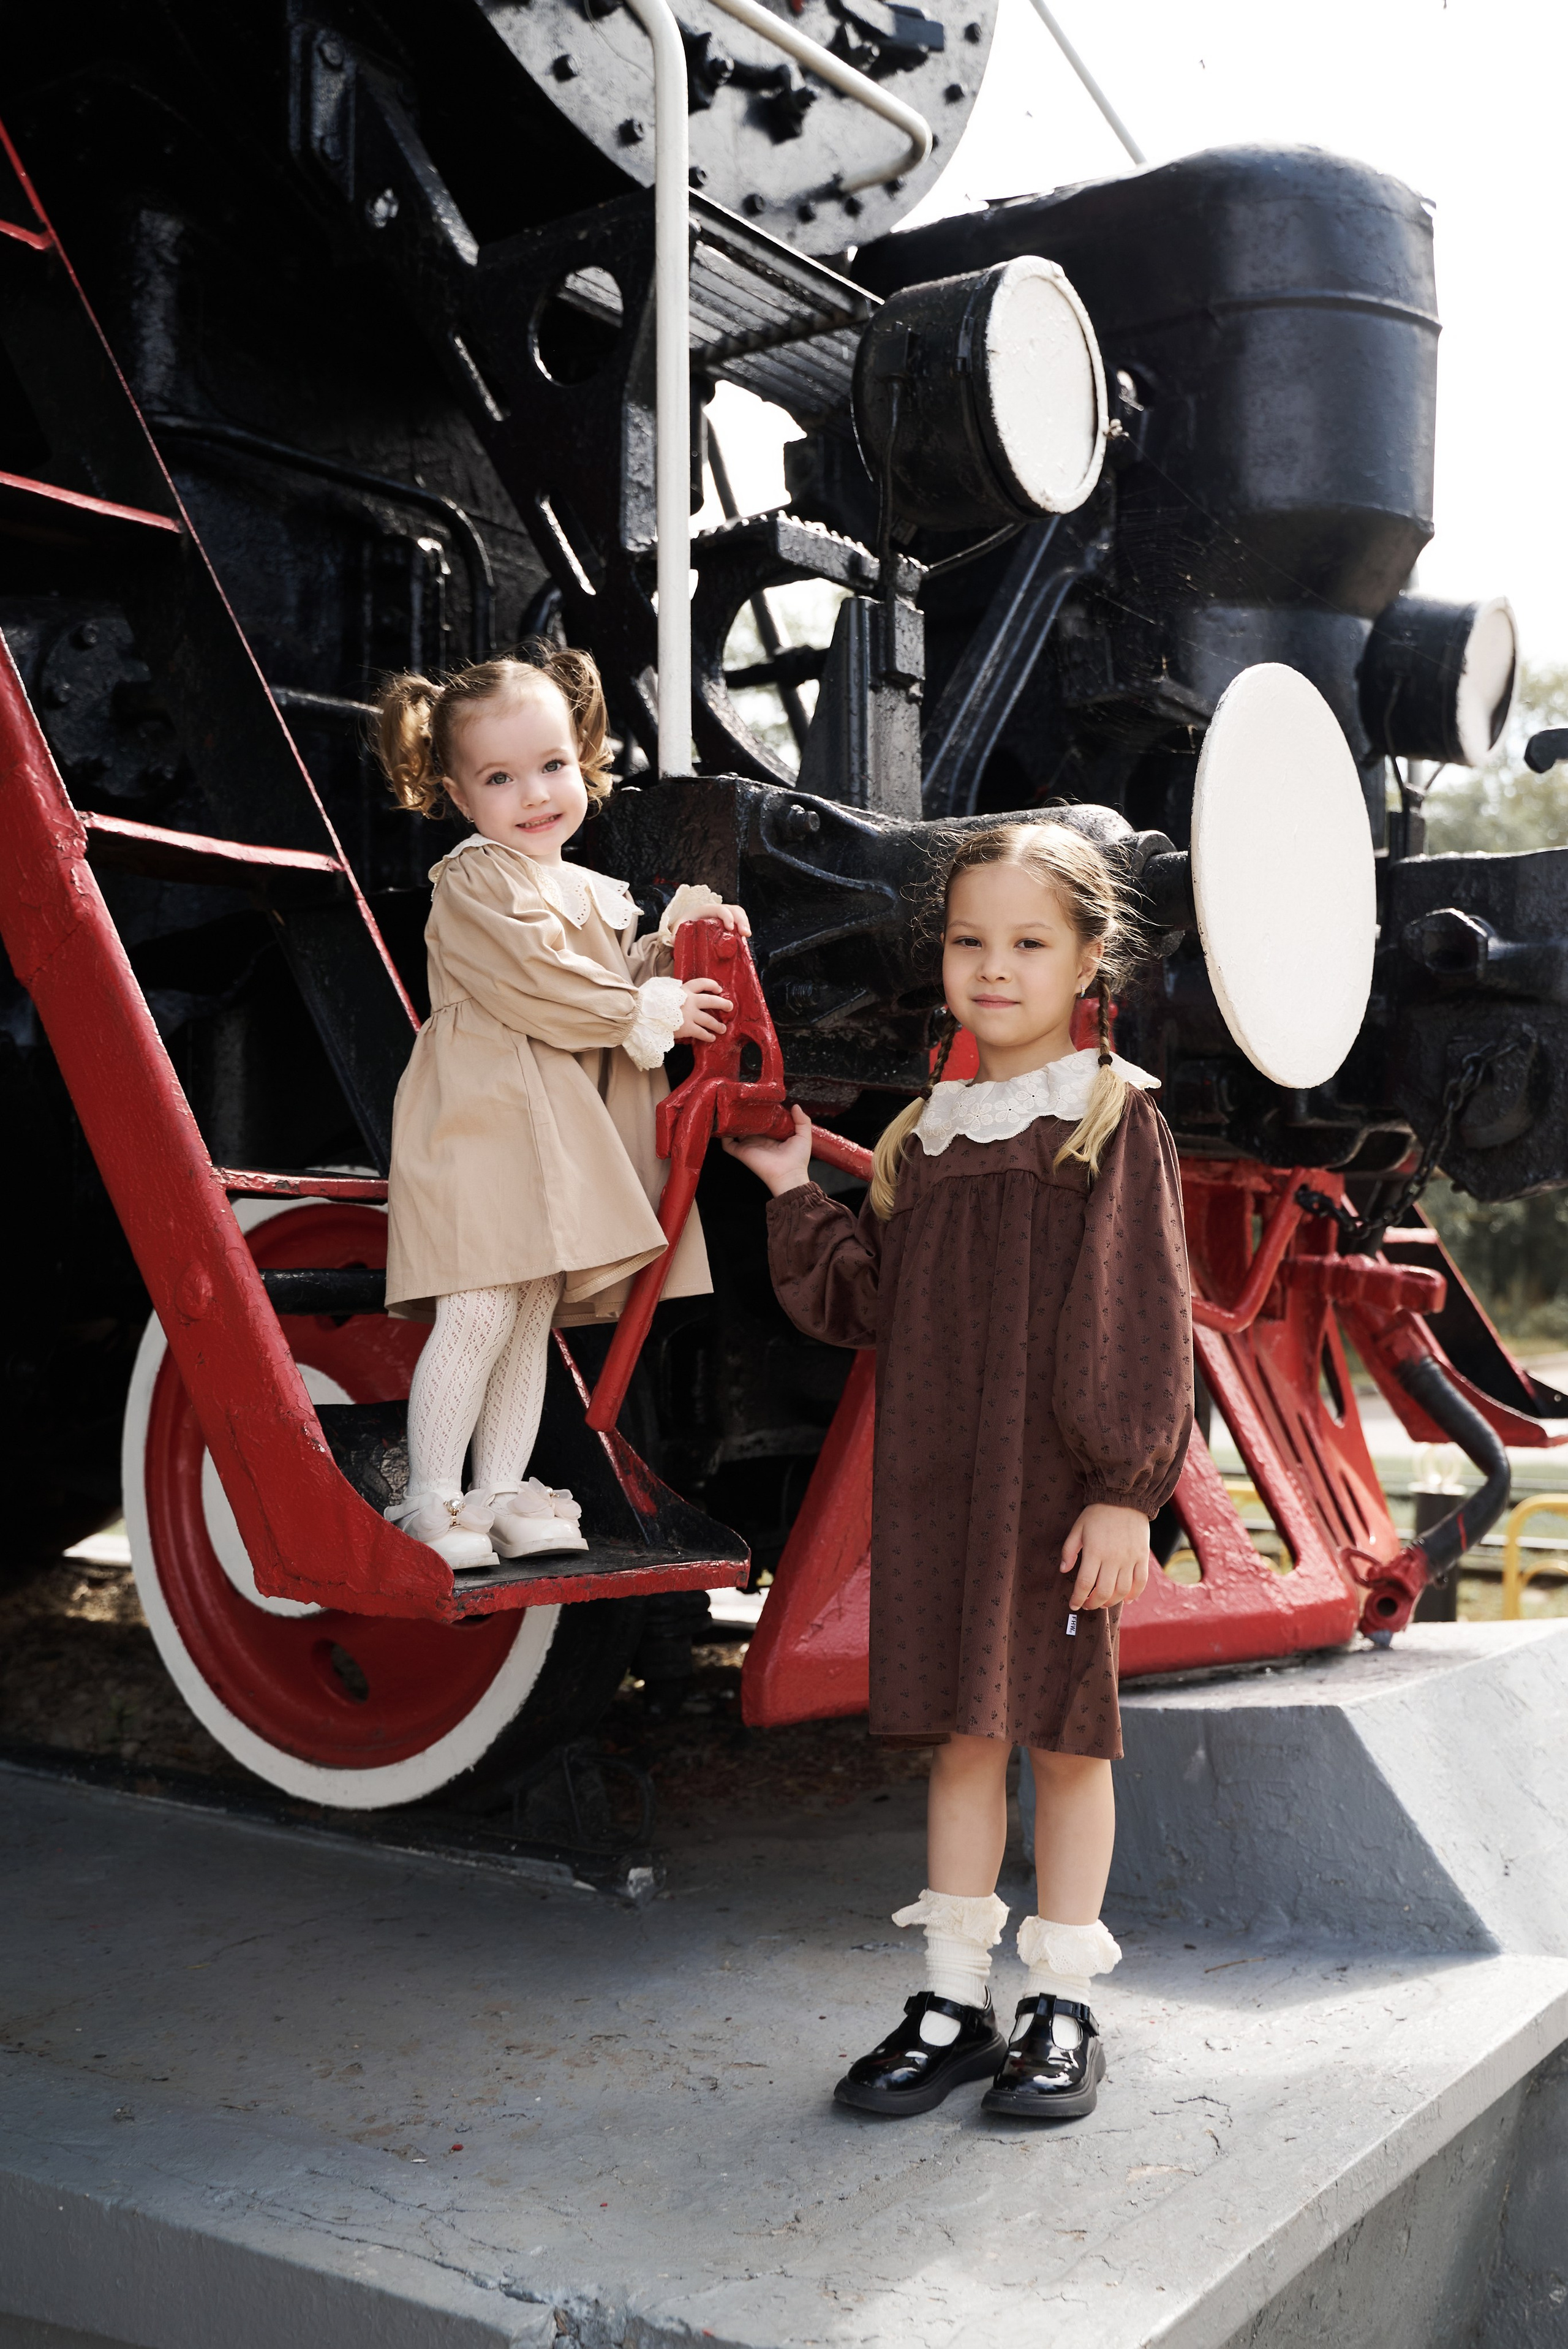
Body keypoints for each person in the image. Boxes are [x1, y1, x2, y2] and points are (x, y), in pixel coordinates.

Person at [725, 821, 1192, 2121]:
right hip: (941, 1485)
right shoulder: (926, 1132)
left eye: (1028, 942)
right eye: (966, 940)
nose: (993, 967)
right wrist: (785, 1187)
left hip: (1055, 1490)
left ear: (1089, 959)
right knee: (960, 1735)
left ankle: (1061, 2006)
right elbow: (873, 1300)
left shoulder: (1111, 1115)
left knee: (1063, 1740)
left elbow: (1140, 1313)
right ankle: (951, 1999)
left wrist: (1122, 1485)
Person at [373, 644, 747, 1574]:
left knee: (530, 1310)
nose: (535, 794)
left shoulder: (587, 890)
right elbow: (538, 979)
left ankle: (499, 1491)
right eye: (500, 778)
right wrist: (636, 1006)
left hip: (551, 1128)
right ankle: (430, 1497)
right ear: (460, 799)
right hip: (485, 1117)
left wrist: (676, 951)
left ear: (582, 759)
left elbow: (613, 986)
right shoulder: (473, 879)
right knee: (476, 1307)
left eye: (551, 766)